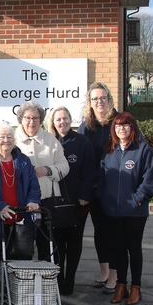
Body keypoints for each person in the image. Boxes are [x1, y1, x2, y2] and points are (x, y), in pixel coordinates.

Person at [98, 112, 153, 305]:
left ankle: (136, 288)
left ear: (132, 128)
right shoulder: (109, 151)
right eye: (117, 126)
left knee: (134, 248)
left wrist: (137, 199)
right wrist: (104, 197)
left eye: (125, 126)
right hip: (113, 211)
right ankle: (121, 285)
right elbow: (101, 178)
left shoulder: (143, 150)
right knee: (118, 250)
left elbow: (150, 181)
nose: (121, 129)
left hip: (135, 211)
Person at [0, 123, 41, 269]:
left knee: (18, 266)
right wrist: (0, 207)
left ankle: (13, 292)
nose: (6, 140)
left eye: (10, 136)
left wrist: (33, 201)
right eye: (2, 137)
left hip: (20, 221)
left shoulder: (23, 160)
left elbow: (33, 185)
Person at [47, 105, 95, 295]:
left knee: (74, 243)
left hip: (76, 203)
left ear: (70, 119)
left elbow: (90, 171)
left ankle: (70, 281)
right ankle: (58, 281)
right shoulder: (49, 142)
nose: (62, 122)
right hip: (54, 202)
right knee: (57, 244)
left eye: (65, 118)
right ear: (53, 122)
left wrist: (84, 197)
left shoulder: (82, 142)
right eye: (58, 119)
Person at [13, 101, 69, 260]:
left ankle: (46, 283)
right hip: (21, 202)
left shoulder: (50, 139)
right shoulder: (12, 139)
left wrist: (48, 170)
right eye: (27, 118)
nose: (31, 122)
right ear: (20, 119)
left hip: (47, 200)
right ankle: (22, 282)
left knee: (48, 247)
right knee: (22, 248)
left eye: (36, 118)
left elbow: (64, 165)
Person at [78, 82, 120, 294]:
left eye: (103, 98)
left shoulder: (119, 121)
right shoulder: (86, 125)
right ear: (90, 102)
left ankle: (114, 275)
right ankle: (104, 272)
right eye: (95, 99)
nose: (99, 102)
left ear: (109, 99)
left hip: (115, 187)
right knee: (99, 231)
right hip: (94, 187)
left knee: (113, 232)